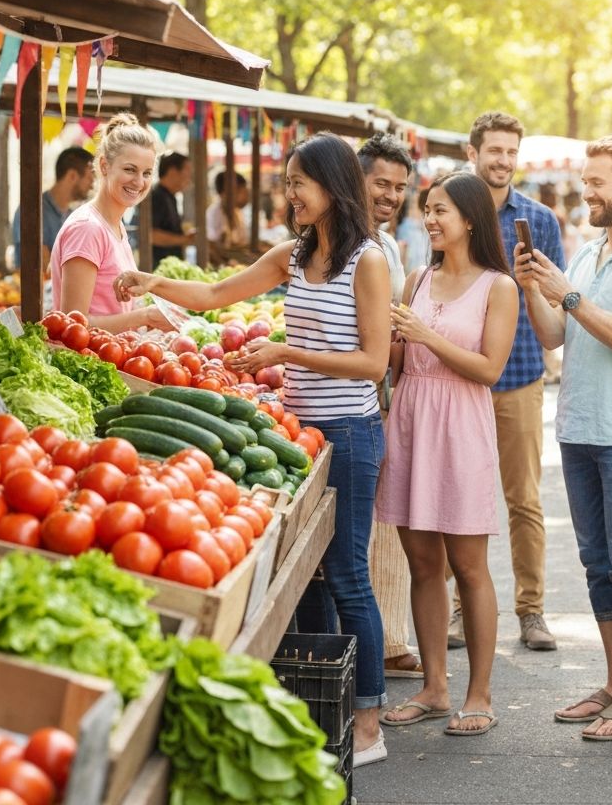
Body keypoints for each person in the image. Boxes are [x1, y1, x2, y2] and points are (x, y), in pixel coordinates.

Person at [115, 132, 391, 766]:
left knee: (348, 576)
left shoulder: (367, 261)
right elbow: (216, 296)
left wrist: (286, 352)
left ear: (332, 186)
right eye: (287, 182)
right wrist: (152, 280)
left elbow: (374, 362)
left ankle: (369, 723)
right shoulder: (292, 255)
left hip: (349, 433)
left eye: (298, 183)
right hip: (307, 436)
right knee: (314, 577)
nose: (287, 193)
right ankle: (330, 710)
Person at [377, 171, 519, 736]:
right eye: (427, 210)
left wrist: (426, 336)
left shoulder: (498, 287)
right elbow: (396, 360)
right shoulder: (416, 279)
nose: (430, 219)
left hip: (461, 428)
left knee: (468, 566)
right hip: (411, 422)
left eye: (440, 211)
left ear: (469, 219)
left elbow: (490, 370)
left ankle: (478, 693)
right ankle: (435, 688)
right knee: (422, 563)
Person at [447, 111, 565, 652]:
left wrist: (533, 284)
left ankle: (532, 610)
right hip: (462, 379)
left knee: (523, 501)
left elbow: (558, 300)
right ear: (474, 153)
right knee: (457, 496)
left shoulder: (539, 221)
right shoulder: (451, 212)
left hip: (518, 375)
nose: (503, 161)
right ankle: (456, 610)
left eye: (511, 152)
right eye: (494, 150)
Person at [516, 134, 612, 740]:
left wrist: (570, 295)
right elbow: (555, 335)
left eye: (599, 182)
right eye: (587, 181)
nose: (589, 192)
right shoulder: (585, 253)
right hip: (578, 430)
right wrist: (535, 286)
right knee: (598, 566)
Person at [358, 134, 421, 681]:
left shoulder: (390, 245)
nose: (391, 195)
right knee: (374, 524)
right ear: (358, 179)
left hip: (385, 389)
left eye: (400, 188)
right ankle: (381, 639)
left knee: (387, 520)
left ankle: (390, 635)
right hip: (359, 389)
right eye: (382, 183)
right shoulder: (341, 241)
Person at [50, 115, 169, 333]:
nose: (139, 182)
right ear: (104, 166)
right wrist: (144, 317)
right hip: (89, 365)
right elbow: (72, 325)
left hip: (115, 360)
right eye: (130, 170)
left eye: (147, 173)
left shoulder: (114, 225)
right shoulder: (87, 228)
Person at [12, 146, 95, 272]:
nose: (92, 185)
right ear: (72, 176)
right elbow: (43, 265)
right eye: (89, 178)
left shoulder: (73, 215)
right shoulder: (33, 210)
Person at [151, 152, 195, 267]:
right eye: (187, 172)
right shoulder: (157, 196)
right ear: (172, 171)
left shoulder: (171, 196)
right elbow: (152, 235)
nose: (189, 177)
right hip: (159, 267)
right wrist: (184, 239)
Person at [206, 171, 250, 261]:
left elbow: (240, 242)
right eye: (242, 192)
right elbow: (212, 247)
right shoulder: (214, 214)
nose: (246, 196)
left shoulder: (237, 212)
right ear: (225, 193)